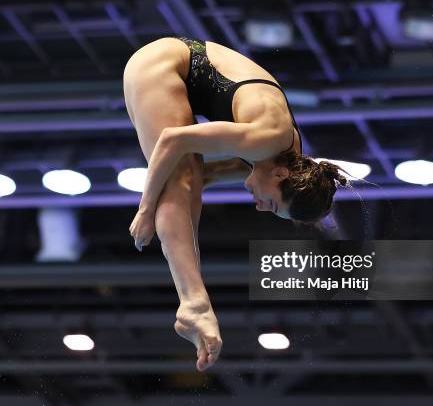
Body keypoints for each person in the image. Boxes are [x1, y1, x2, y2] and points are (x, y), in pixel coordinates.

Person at [123, 36, 347, 372]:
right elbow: (173, 140)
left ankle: (194, 301)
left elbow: (203, 179)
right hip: (166, 62)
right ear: (282, 175)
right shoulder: (266, 139)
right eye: (270, 204)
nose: (258, 207)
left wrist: (185, 191)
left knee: (188, 179)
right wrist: (146, 207)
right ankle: (194, 303)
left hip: (189, 74)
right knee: (180, 178)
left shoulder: (276, 157)